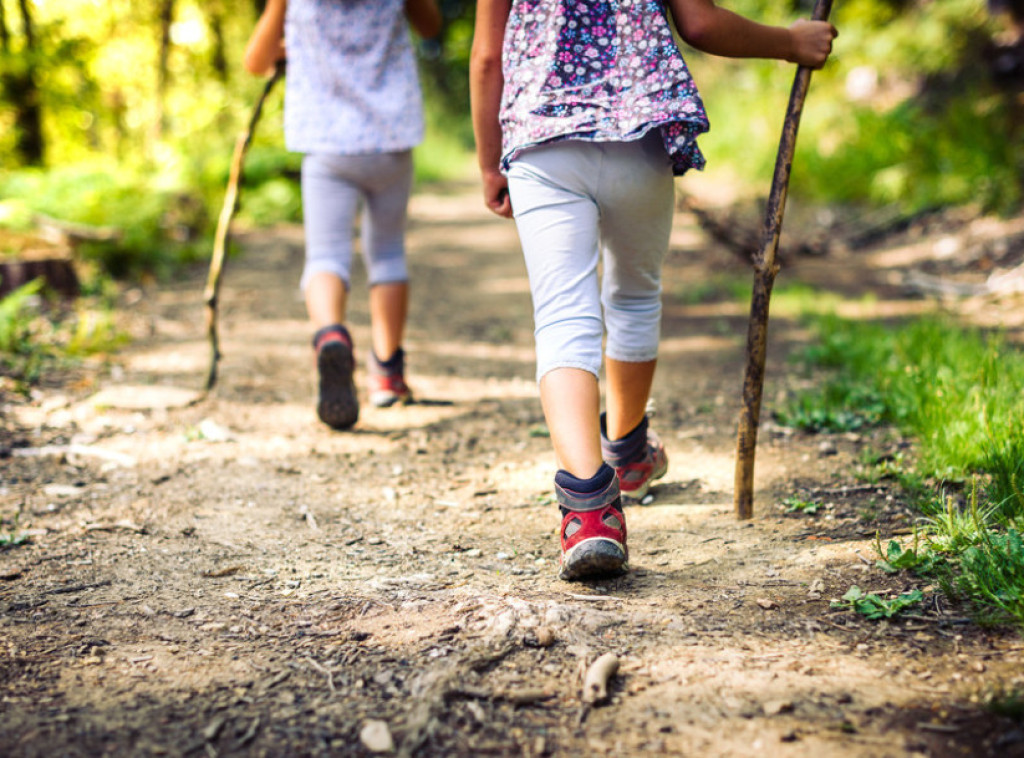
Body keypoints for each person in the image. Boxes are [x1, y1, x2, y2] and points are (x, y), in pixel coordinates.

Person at [470, 0, 836, 581]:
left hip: (542, 141)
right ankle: (628, 451)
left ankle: (589, 510)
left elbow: (489, 57)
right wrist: (790, 42)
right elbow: (700, 23)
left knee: (564, 315)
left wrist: (491, 162)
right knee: (635, 295)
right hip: (636, 137)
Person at [244, 0, 442, 430]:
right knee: (387, 253)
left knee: (326, 256)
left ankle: (330, 333)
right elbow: (431, 27)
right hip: (390, 138)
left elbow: (255, 61)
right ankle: (387, 374)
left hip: (326, 142)